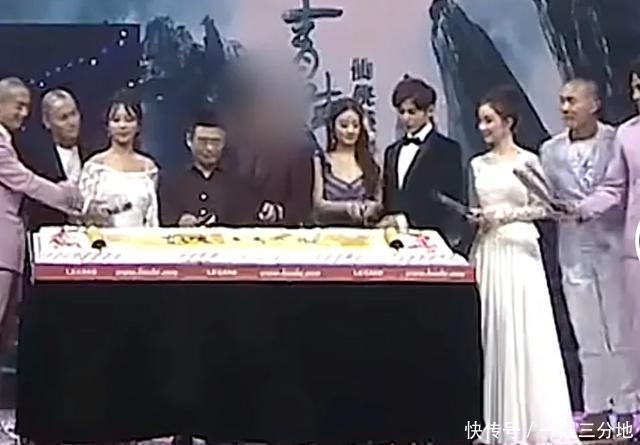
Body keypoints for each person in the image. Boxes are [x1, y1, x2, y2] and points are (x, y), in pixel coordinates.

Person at [468, 86, 578, 445]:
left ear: (508, 122)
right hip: (490, 250)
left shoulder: (529, 161)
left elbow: (545, 207)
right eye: (480, 121)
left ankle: (537, 424)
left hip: (521, 249)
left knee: (529, 333)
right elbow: (476, 207)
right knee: (496, 333)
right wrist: (479, 218)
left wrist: (504, 215)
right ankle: (502, 424)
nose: (483, 128)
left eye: (489, 121)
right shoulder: (477, 164)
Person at [540, 78, 639, 436]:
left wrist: (588, 208)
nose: (565, 108)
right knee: (586, 333)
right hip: (572, 248)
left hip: (614, 246)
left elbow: (617, 190)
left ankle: (627, 407)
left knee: (620, 332)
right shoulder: (550, 150)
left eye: (572, 101)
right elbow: (546, 196)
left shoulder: (618, 139)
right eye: (562, 101)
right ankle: (595, 407)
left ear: (594, 104)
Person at [0, 77, 81, 391]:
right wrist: (66, 196)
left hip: (12, 249)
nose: (23, 113)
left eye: (27, 107)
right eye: (18, 106)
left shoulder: (7, 140)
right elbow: (24, 181)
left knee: (7, 330)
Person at [575, 59, 640, 436]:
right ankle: (631, 415)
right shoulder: (627, 134)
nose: (636, 95)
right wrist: (582, 208)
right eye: (634, 88)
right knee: (634, 332)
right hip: (635, 245)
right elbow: (615, 187)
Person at [381, 76, 463, 246]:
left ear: (430, 111)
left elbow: (449, 200)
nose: (405, 118)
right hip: (395, 239)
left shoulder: (447, 149)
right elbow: (390, 197)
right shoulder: (392, 152)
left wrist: (406, 220)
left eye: (412, 112)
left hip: (432, 238)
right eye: (401, 112)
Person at [79, 91, 159, 228]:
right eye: (116, 120)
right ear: (108, 126)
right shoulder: (94, 166)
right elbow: (82, 213)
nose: (122, 125)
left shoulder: (148, 168)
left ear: (138, 126)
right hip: (102, 239)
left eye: (129, 120)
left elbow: (151, 217)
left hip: (139, 239)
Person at [159, 110, 245, 227]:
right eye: (202, 141)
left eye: (215, 142)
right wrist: (179, 221)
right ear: (189, 141)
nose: (209, 148)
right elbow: (163, 216)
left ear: (224, 143)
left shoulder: (237, 184)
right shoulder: (171, 182)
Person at [23, 88, 91, 229]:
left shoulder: (93, 154)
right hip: (48, 234)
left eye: (74, 114)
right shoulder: (34, 162)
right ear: (47, 122)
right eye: (63, 118)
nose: (72, 122)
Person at [313, 97, 382, 226]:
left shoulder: (371, 162)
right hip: (329, 234)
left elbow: (379, 202)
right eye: (344, 125)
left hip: (365, 234)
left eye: (355, 126)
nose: (350, 131)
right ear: (333, 127)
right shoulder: (322, 161)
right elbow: (318, 205)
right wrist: (347, 208)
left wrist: (371, 208)